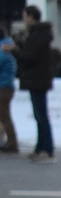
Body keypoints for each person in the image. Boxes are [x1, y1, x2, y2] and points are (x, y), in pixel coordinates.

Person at [15, 6, 56, 162]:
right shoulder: (40, 35)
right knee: (40, 115)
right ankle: (41, 147)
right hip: (38, 79)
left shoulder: (38, 36)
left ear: (31, 17)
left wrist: (15, 50)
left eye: (25, 16)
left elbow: (28, 57)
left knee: (41, 115)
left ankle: (47, 148)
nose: (24, 20)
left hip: (37, 79)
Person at [0, 24, 17, 153]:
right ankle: (9, 142)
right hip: (6, 85)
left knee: (4, 115)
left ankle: (12, 143)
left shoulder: (4, 48)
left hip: (3, 86)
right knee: (4, 115)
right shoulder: (7, 45)